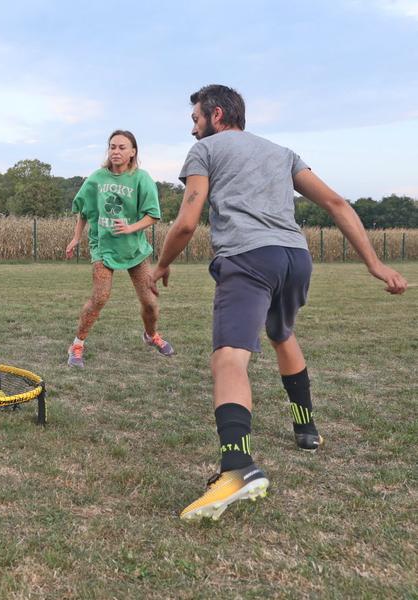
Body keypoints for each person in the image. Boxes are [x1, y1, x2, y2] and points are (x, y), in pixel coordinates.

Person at [151, 84, 408, 521]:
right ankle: (306, 429)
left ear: (216, 115)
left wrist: (161, 265)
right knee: (281, 332)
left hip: (248, 258)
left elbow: (187, 221)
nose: (193, 129)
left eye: (195, 119)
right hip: (295, 258)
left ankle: (236, 468)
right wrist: (375, 263)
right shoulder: (281, 152)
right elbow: (336, 202)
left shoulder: (206, 150)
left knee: (229, 357)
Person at [64, 129, 174, 368]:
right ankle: (77, 345)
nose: (116, 151)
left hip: (134, 250)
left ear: (133, 152)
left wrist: (130, 227)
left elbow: (153, 215)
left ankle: (151, 335)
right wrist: (76, 237)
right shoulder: (97, 178)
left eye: (122, 147)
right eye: (112, 147)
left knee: (150, 303)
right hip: (103, 247)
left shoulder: (142, 179)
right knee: (100, 297)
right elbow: (84, 210)